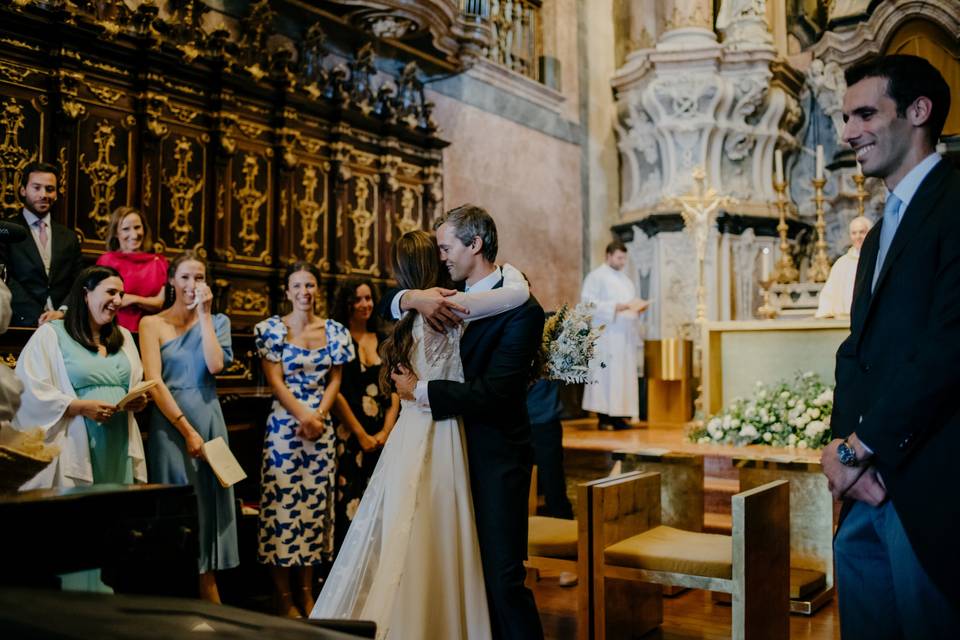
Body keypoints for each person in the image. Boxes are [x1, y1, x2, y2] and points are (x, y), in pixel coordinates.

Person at [311, 227, 533, 639]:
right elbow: (515, 296)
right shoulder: (447, 305)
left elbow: (391, 303)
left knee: (409, 535)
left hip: (415, 430)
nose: (448, 257)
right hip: (442, 430)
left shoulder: (415, 310)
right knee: (438, 534)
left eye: (450, 247)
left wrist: (408, 298)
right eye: (443, 251)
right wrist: (514, 278)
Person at [822, 54, 960, 638]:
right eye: (845, 116)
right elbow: (858, 348)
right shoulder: (881, 229)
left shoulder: (955, 200)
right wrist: (838, 448)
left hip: (932, 478)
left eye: (864, 114)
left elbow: (950, 345)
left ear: (919, 111)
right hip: (869, 488)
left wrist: (859, 448)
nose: (848, 132)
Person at [253, 262, 355, 618]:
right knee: (282, 512)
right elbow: (275, 381)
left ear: (317, 290)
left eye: (310, 285)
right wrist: (304, 416)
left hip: (320, 431)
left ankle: (308, 593)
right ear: (287, 291)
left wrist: (319, 417)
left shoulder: (335, 332)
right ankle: (283, 598)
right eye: (297, 286)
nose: (304, 292)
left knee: (313, 512)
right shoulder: (271, 330)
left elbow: (335, 381)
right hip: (285, 429)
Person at [139, 251, 238, 603]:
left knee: (209, 505)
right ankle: (176, 592)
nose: (192, 285)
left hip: (209, 418)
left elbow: (214, 366)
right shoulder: (151, 324)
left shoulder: (219, 321)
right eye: (185, 277)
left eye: (199, 277)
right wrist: (186, 431)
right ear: (171, 281)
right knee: (177, 504)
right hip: (170, 425)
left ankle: (207, 586)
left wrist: (205, 316)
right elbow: (153, 381)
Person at [14, 266, 149, 490]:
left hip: (119, 440)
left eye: (121, 295)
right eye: (111, 292)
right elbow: (28, 388)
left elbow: (134, 384)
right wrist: (78, 406)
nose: (117, 300)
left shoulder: (124, 336)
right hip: (76, 442)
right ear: (86, 294)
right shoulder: (51, 334)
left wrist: (138, 400)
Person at [329, 279, 399, 553]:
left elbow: (395, 390)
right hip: (350, 434)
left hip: (383, 435)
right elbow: (336, 393)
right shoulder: (337, 338)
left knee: (382, 506)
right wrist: (360, 434)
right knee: (350, 505)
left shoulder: (384, 339)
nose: (364, 304)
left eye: (368, 298)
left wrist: (385, 431)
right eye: (357, 299)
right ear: (347, 303)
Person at [0, 161, 83, 327]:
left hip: (63, 325)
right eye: (36, 188)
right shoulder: (6, 231)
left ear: (57, 194)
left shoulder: (69, 237)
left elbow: (78, 281)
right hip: (20, 323)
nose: (44, 194)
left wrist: (62, 312)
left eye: (50, 189)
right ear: (23, 190)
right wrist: (38, 316)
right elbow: (6, 279)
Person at [580, 240, 648, 430]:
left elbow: (629, 304)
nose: (622, 261)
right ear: (608, 256)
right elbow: (587, 304)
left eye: (624, 258)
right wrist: (614, 307)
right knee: (605, 376)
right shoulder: (596, 277)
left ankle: (618, 416)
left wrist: (637, 309)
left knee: (622, 377)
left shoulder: (625, 281)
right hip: (606, 336)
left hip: (624, 336)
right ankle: (604, 418)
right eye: (619, 257)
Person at [95, 206, 169, 332]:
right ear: (116, 233)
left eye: (137, 227)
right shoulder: (106, 261)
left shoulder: (159, 262)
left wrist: (132, 299)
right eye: (126, 229)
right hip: (113, 331)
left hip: (152, 332)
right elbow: (100, 301)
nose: (134, 235)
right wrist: (146, 302)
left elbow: (159, 303)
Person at [815, 216, 873, 319]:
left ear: (870, 233)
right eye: (854, 233)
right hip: (844, 320)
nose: (858, 237)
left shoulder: (877, 260)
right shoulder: (841, 263)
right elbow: (829, 294)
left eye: (862, 232)